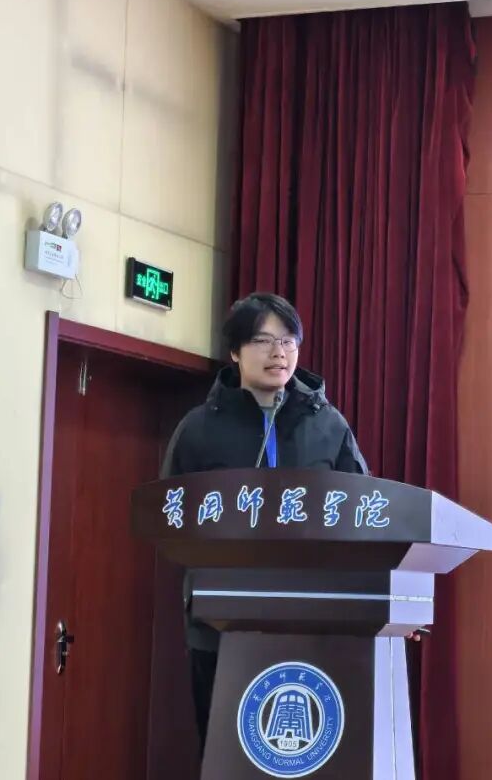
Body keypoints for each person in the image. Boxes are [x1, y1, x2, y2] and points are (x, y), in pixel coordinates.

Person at [159, 292, 368, 755]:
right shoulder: (199, 428)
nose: (279, 352)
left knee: (304, 754)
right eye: (262, 340)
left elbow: (365, 513)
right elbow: (169, 518)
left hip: (311, 621)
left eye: (288, 340)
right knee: (226, 753)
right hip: (220, 623)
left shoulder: (328, 426)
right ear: (235, 352)